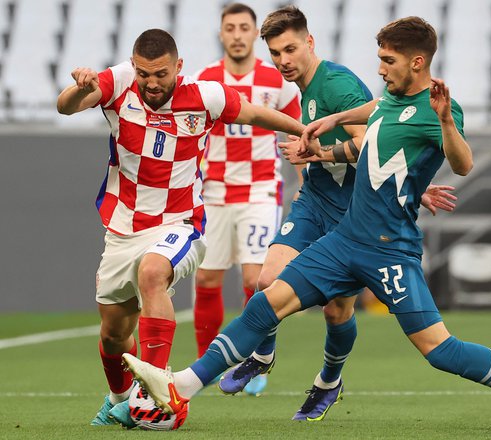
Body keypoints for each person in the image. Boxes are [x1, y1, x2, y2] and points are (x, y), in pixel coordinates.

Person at [123, 16, 491, 432]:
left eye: (387, 60)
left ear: (417, 62)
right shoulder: (389, 97)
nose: (379, 68)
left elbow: (465, 163)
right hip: (346, 239)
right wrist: (332, 124)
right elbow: (371, 125)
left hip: (391, 250)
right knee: (266, 302)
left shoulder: (436, 108)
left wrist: (448, 124)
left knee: (440, 351)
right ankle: (181, 386)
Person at [215, 5, 456, 418]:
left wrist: (318, 156)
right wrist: (310, 169)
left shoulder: (339, 86)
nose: (283, 61)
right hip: (315, 202)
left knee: (336, 310)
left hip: (352, 214)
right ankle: (263, 353)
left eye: (290, 49)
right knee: (266, 278)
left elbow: (371, 145)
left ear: (310, 42)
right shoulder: (305, 88)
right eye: (275, 53)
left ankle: (329, 380)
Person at [56, 28, 304, 426]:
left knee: (153, 271)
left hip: (181, 221)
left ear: (179, 67)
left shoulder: (205, 96)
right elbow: (65, 108)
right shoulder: (118, 81)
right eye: (144, 74)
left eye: (161, 74)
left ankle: (150, 397)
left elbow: (257, 114)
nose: (152, 83)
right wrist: (77, 88)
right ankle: (121, 398)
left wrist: (304, 130)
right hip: (123, 226)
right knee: (113, 335)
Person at [190, 3, 302, 395]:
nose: (237, 34)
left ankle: (254, 361)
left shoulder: (278, 81)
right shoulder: (204, 81)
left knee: (257, 279)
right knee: (207, 277)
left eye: (243, 28)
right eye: (229, 28)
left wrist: (305, 180)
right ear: (221, 34)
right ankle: (209, 364)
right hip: (214, 192)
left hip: (261, 190)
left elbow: (297, 133)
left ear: (255, 34)